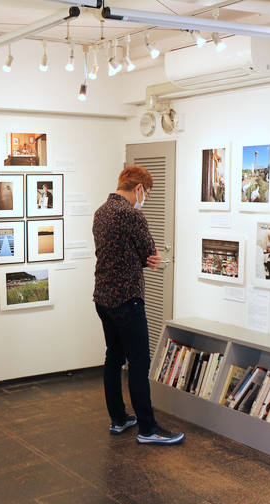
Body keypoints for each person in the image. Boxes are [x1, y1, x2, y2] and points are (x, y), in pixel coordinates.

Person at [92, 166, 185, 445]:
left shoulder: (101, 212)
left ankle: (119, 419)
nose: (144, 199)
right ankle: (148, 428)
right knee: (139, 364)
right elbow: (150, 252)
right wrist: (149, 258)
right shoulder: (132, 214)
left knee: (113, 358)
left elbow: (120, 251)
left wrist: (145, 257)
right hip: (128, 300)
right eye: (146, 193)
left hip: (103, 298)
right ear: (139, 189)